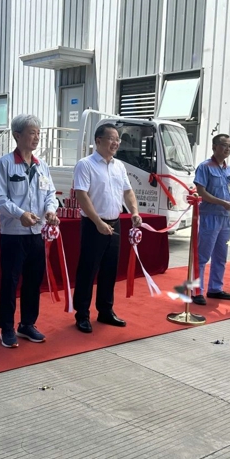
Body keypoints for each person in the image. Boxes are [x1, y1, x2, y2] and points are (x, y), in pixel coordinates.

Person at [0, 114, 59, 348]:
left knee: (33, 281)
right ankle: (7, 328)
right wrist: (20, 214)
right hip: (13, 234)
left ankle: (27, 324)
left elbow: (50, 194)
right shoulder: (5, 164)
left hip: (37, 234)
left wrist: (50, 211)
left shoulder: (42, 167)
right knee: (10, 282)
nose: (37, 137)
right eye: (32, 133)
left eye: (39, 133)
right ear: (17, 135)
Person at [72, 123, 142, 333]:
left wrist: (134, 212)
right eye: (111, 138)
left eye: (117, 139)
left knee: (109, 270)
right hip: (94, 224)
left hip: (114, 224)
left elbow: (128, 192)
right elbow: (82, 196)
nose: (116, 143)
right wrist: (98, 222)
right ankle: (82, 314)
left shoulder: (119, 166)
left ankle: (105, 310)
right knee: (88, 270)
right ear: (98, 140)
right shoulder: (85, 165)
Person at [193, 134, 230, 304]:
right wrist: (222, 203)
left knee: (221, 255)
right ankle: (197, 291)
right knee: (202, 256)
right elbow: (201, 192)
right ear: (214, 146)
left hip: (225, 218)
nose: (227, 149)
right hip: (210, 216)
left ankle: (215, 288)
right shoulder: (205, 167)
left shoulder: (229, 169)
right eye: (224, 145)